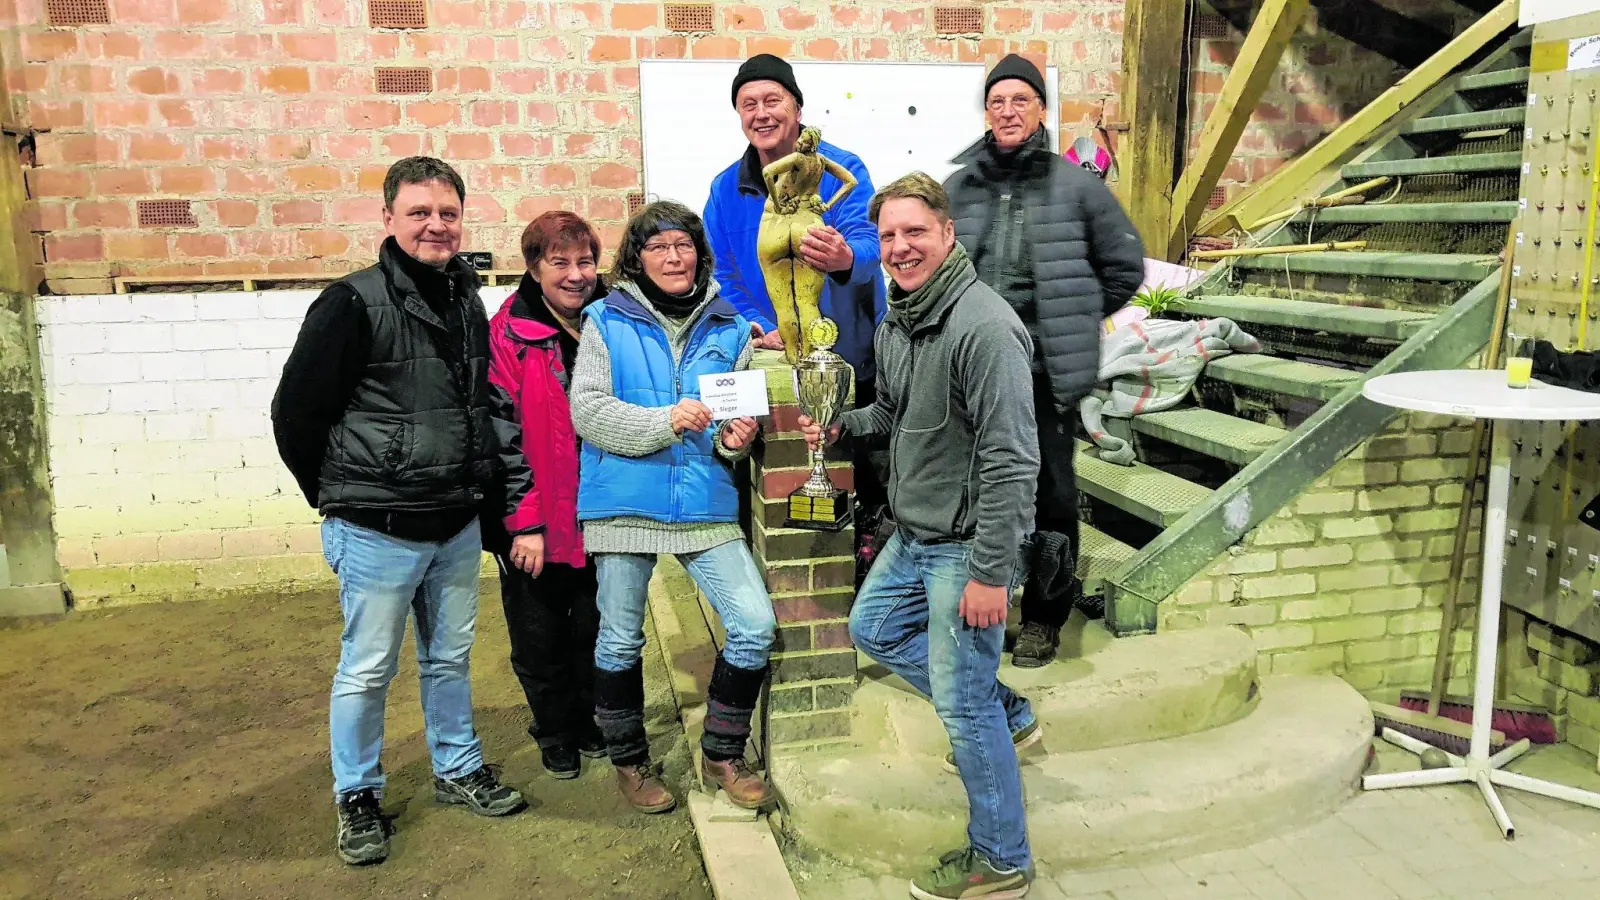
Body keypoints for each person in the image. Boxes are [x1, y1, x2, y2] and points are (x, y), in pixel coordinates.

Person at [271, 156, 525, 867]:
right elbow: (296, 412)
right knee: (368, 667)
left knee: (449, 659)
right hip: (376, 527)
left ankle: (457, 768)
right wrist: (339, 496)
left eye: (447, 213)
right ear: (388, 219)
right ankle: (356, 795)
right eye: (419, 213)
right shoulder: (350, 304)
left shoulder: (466, 300)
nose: (435, 226)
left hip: (452, 522)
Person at [803, 172, 1040, 900]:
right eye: (890, 235)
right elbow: (896, 414)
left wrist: (991, 574)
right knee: (872, 628)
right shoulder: (902, 317)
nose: (901, 247)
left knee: (960, 707)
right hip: (916, 530)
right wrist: (845, 424)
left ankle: (1001, 859)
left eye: (915, 232)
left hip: (966, 544)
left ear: (947, 234)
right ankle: (1011, 713)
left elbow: (1012, 459)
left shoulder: (983, 326)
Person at [570, 200, 778, 815]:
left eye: (683, 245)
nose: (673, 256)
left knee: (754, 625)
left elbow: (728, 424)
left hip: (704, 505)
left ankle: (722, 751)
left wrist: (735, 439)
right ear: (637, 258)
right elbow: (589, 410)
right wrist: (664, 421)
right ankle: (630, 762)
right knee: (617, 642)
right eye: (658, 247)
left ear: (699, 253)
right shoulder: (605, 320)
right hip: (621, 503)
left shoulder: (732, 328)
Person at [944, 54, 1146, 667]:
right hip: (976, 370)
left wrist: (1073, 316)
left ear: (1041, 110)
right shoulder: (957, 188)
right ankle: (975, 603)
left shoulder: (1078, 185)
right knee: (975, 489)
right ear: (987, 111)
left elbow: (1124, 268)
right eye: (997, 101)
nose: (1007, 111)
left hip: (1047, 373)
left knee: (1052, 494)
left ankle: (1044, 616)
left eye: (1020, 100)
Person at [703, 53, 889, 538]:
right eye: (749, 104)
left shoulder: (842, 168)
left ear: (798, 110)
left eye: (772, 100)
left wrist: (843, 257)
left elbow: (872, 244)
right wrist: (753, 324)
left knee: (863, 486)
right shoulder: (725, 190)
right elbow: (721, 273)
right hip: (772, 363)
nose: (761, 113)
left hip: (848, 362)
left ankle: (868, 571)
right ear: (739, 116)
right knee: (774, 483)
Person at [485, 211, 608, 780]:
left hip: (603, 512)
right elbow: (501, 434)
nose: (575, 274)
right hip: (538, 519)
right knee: (540, 635)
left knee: (596, 626)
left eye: (584, 261)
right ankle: (554, 730)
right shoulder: (508, 333)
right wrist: (524, 522)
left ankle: (590, 721)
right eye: (558, 262)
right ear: (533, 268)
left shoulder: (615, 321)